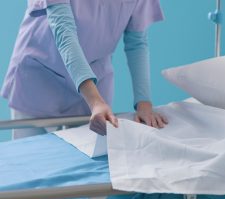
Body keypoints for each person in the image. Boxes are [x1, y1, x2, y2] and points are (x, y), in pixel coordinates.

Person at [1, 0, 168, 139]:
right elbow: (64, 32)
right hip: (39, 77)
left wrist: (143, 103)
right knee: (33, 162)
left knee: (90, 163)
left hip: (95, 79)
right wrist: (95, 100)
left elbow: (137, 43)